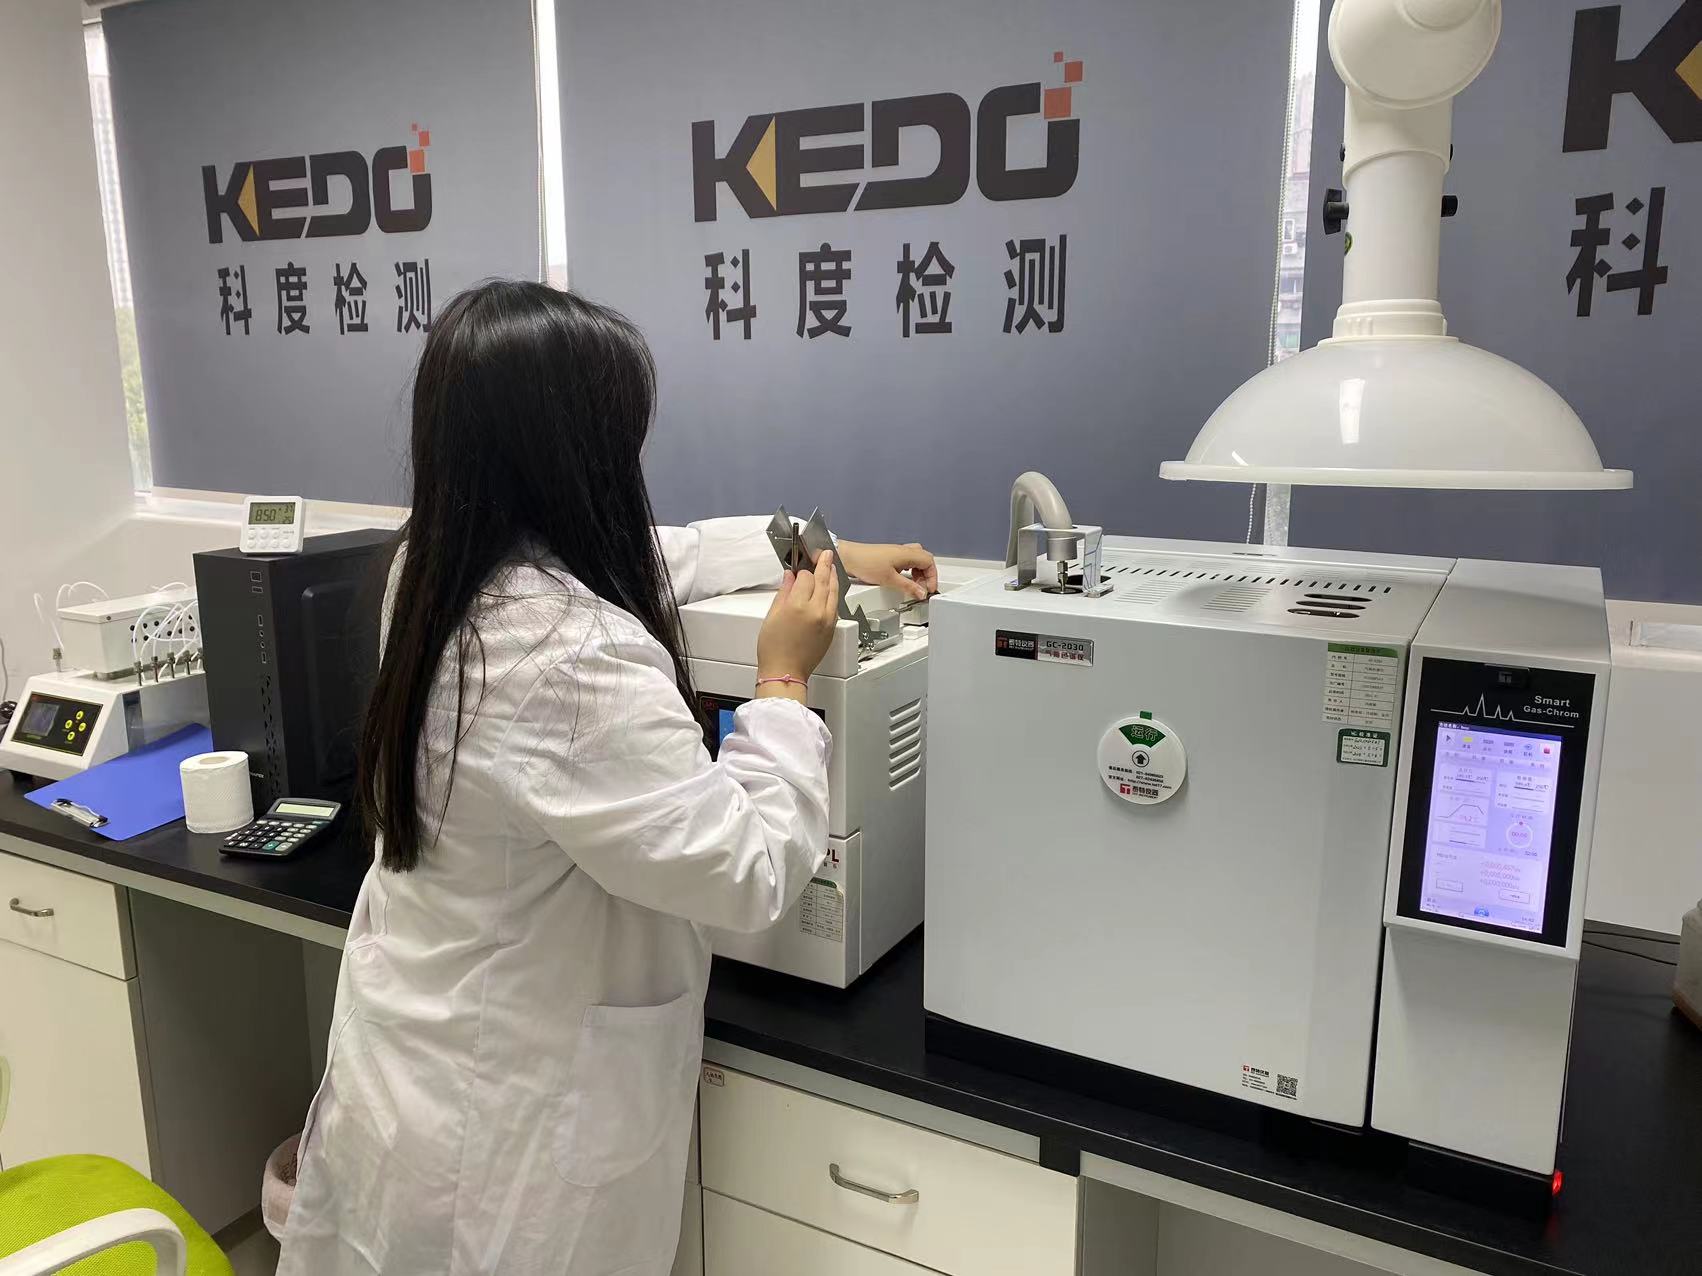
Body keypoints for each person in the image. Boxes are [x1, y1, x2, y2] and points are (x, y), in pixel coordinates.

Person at [276, 280, 937, 1275]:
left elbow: (658, 554)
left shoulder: (433, 569)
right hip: (513, 1129)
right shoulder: (569, 659)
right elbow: (748, 869)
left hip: (414, 1059)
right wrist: (781, 680)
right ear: (572, 451)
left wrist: (832, 552)